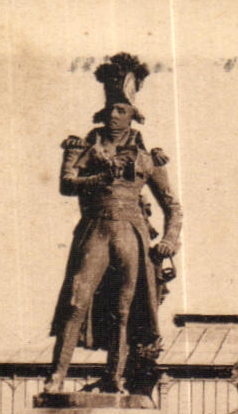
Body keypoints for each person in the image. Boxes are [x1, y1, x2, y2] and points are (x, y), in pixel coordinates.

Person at [45, 54, 181, 396]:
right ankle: (56, 378)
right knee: (77, 300)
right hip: (95, 230)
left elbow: (172, 206)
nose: (114, 116)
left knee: (124, 310)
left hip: (132, 234)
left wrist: (170, 240)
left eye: (122, 109)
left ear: (134, 114)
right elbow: (66, 184)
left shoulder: (148, 158)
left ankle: (114, 379)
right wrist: (98, 177)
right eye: (111, 109)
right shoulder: (83, 147)